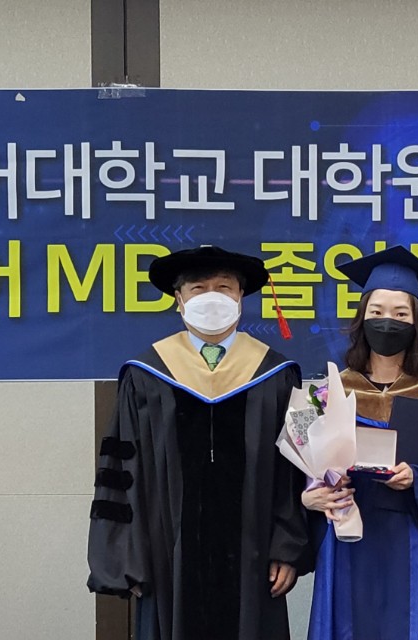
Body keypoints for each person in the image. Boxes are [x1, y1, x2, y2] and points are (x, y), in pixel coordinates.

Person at [87, 245, 311, 640]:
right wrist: (128, 560)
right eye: (198, 288)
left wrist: (286, 548)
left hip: (254, 559)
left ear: (240, 298)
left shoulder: (276, 375)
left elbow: (291, 474)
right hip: (166, 561)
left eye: (224, 287)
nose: (212, 297)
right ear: (179, 300)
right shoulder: (146, 375)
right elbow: (122, 474)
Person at [300, 246, 418, 640]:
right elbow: (300, 468)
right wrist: (311, 495)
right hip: (349, 541)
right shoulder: (328, 394)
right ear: (361, 318)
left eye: (401, 314)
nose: (388, 322)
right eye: (377, 311)